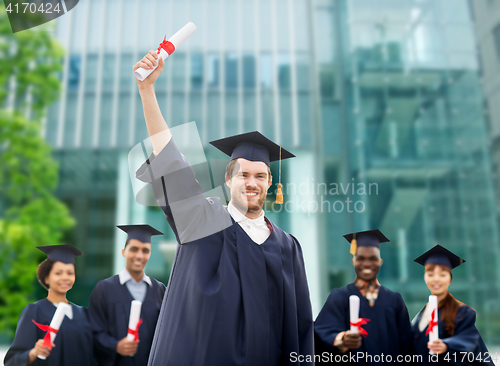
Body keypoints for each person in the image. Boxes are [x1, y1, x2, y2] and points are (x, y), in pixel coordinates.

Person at [132, 51, 314, 365]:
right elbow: (172, 160)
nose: (251, 183)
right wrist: (147, 91)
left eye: (260, 176)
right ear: (228, 180)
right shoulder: (201, 220)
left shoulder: (287, 246)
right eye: (243, 174)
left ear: (270, 182)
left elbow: (299, 328)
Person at [314, 230, 412, 365]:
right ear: (353, 261)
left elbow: (407, 345)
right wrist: (341, 340)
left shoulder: (394, 301)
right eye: (361, 258)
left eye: (372, 258)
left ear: (380, 262)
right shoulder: (339, 297)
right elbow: (321, 333)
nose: (366, 264)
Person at [4, 244, 94, 366]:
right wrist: (34, 352)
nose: (65, 278)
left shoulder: (83, 313)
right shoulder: (35, 311)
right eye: (58, 273)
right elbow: (12, 361)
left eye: (70, 273)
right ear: (46, 278)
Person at [88, 224, 165, 366]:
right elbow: (93, 331)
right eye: (134, 249)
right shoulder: (104, 289)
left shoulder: (159, 289)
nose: (139, 256)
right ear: (123, 252)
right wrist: (115, 346)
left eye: (145, 251)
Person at [411, 245, 494, 365]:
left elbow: (468, 339)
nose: (436, 279)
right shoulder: (421, 314)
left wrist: (446, 346)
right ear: (424, 277)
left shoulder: (462, 312)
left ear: (450, 278)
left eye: (442, 275)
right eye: (430, 274)